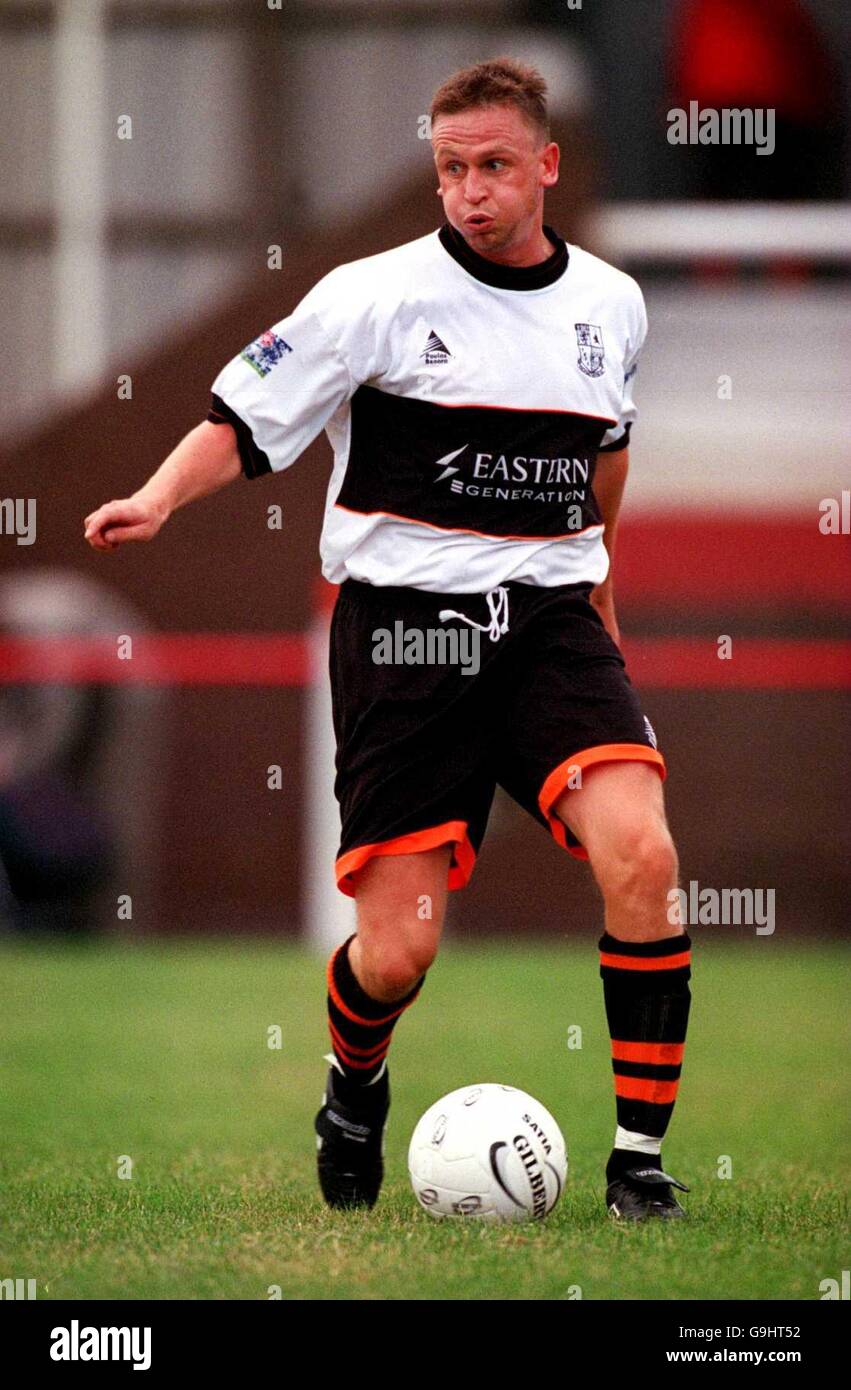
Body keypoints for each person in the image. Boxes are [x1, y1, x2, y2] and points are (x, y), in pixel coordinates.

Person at [84, 58, 692, 1222]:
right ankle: (352, 1088)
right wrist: (158, 498)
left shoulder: (610, 303)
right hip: (406, 636)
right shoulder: (370, 295)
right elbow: (242, 419)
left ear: (546, 166)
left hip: (553, 625)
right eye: (450, 169)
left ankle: (637, 1164)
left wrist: (597, 575)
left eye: (494, 167)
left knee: (644, 858)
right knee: (398, 953)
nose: (469, 190)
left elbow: (605, 452)